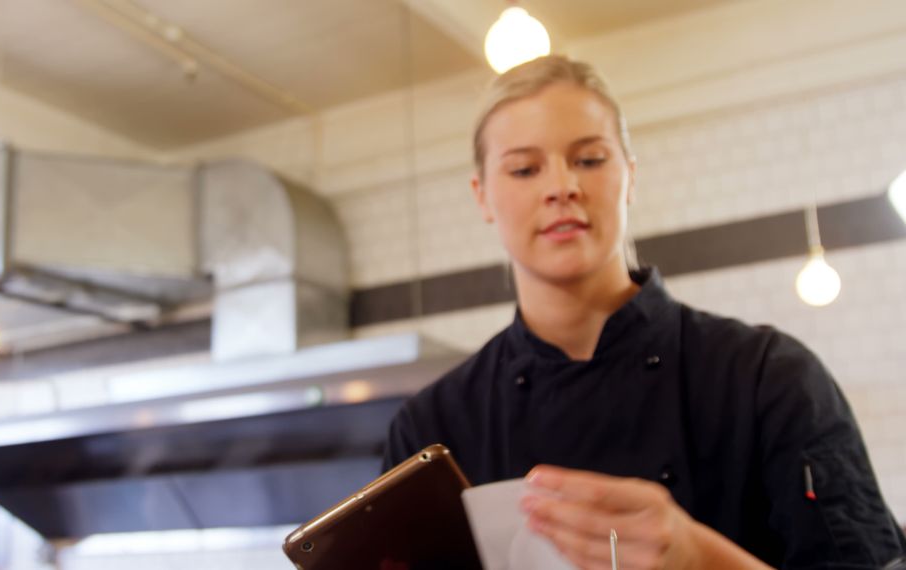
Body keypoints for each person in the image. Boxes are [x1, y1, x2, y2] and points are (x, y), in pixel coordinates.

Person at [382, 54, 906, 568]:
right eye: (524, 168)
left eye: (589, 159)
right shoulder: (429, 430)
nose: (562, 186)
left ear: (630, 175)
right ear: (482, 197)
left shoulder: (769, 377)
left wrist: (701, 557)